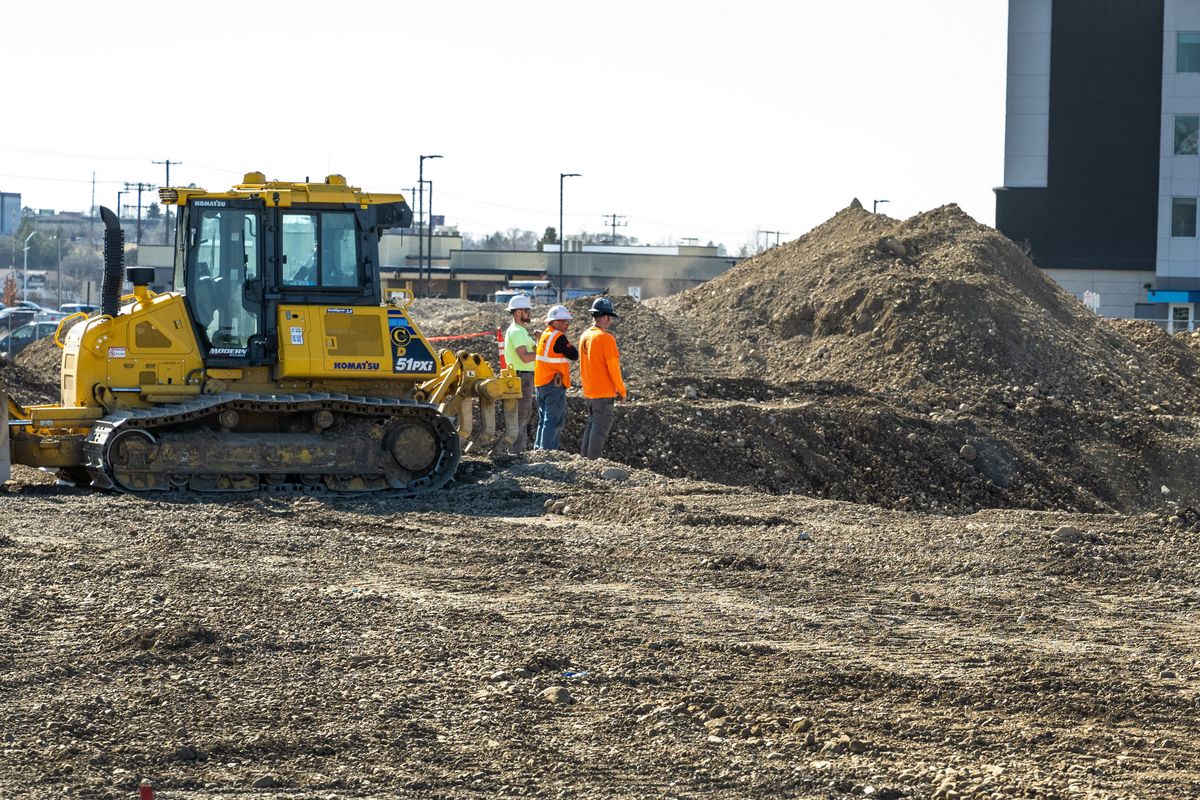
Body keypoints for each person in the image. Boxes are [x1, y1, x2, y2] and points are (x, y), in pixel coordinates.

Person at [577, 296, 627, 460]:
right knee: (600, 429)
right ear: (605, 317)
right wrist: (621, 390)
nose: (610, 321)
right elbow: (614, 368)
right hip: (603, 392)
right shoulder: (606, 338)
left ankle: (584, 461)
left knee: (591, 425)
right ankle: (593, 463)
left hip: (590, 391)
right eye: (610, 318)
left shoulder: (585, 336)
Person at [533, 304, 579, 451]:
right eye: (565, 321)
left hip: (541, 383)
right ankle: (547, 452)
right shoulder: (558, 337)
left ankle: (539, 450)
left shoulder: (546, 334)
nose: (567, 325)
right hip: (554, 384)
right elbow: (574, 355)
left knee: (543, 420)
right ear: (556, 322)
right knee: (553, 420)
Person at [502, 294, 537, 453]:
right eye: (526, 310)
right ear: (517, 312)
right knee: (520, 416)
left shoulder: (521, 331)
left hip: (524, 377)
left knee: (523, 415)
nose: (529, 313)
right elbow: (524, 357)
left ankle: (517, 452)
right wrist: (542, 353)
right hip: (521, 377)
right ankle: (515, 453)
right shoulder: (516, 332)